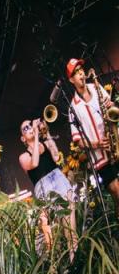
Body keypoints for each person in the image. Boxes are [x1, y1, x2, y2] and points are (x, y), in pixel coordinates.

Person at [66, 58, 119, 210]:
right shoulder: (73, 108)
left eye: (81, 70)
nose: (81, 74)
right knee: (117, 192)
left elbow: (112, 109)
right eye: (76, 73)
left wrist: (111, 104)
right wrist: (96, 144)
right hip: (100, 158)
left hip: (115, 143)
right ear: (71, 80)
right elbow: (78, 141)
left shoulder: (96, 87)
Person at [18, 118, 77, 249]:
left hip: (58, 178)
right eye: (26, 128)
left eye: (30, 125)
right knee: (55, 237)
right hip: (44, 188)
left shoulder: (44, 144)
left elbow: (56, 156)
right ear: (23, 138)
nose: (30, 128)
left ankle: (75, 257)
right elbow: (34, 163)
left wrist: (46, 133)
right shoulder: (23, 157)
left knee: (71, 231)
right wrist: (37, 136)